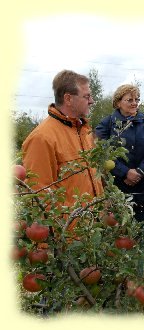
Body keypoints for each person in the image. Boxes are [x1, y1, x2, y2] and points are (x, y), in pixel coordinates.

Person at [22, 69, 103, 231]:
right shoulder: (42, 138)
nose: (92, 101)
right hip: (67, 237)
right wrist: (51, 243)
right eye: (86, 96)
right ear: (68, 98)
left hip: (91, 232)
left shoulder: (84, 131)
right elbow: (38, 194)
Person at [95, 84, 144, 275]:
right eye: (129, 99)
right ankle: (114, 276)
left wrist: (140, 171)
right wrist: (124, 172)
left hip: (143, 186)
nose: (134, 103)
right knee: (115, 234)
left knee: (139, 233)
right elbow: (101, 154)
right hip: (117, 188)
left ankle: (135, 277)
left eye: (137, 99)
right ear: (118, 102)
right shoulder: (106, 124)